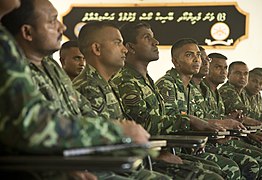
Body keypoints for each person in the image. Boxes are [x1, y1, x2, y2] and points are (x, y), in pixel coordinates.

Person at [1, 0, 156, 179]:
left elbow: (83, 112)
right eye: (52, 21)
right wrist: (116, 132)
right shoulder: (16, 62)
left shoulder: (51, 67)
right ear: (27, 32)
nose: (62, 27)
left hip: (75, 163)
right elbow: (31, 126)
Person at [73, 21, 224, 180]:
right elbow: (104, 139)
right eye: (118, 43)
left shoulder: (107, 83)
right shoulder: (91, 87)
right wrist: (152, 153)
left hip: (138, 157)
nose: (123, 49)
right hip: (116, 166)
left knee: (214, 171)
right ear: (97, 49)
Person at [191, 50, 262, 180]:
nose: (223, 71)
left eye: (225, 68)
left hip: (220, 138)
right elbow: (197, 119)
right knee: (256, 161)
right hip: (203, 143)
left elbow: (220, 116)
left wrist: (233, 121)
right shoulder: (223, 90)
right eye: (217, 67)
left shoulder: (212, 91)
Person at [218, 61, 262, 151]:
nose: (242, 77)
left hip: (244, 133)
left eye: (245, 74)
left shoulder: (242, 93)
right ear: (228, 75)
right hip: (230, 137)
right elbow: (244, 114)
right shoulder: (227, 90)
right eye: (238, 73)